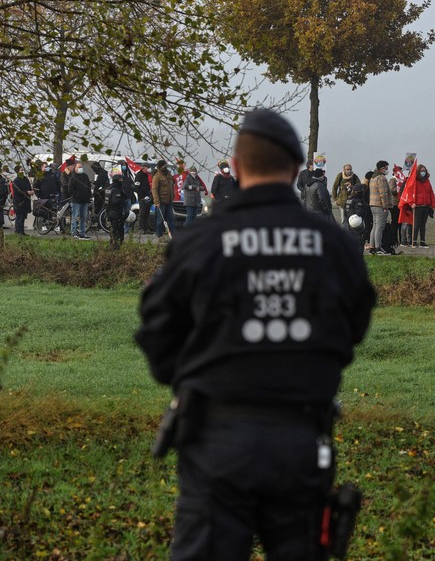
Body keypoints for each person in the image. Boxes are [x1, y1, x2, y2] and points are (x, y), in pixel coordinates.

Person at [136, 108, 375, 560]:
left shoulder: (200, 241)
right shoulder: (335, 245)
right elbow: (354, 327)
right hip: (302, 439)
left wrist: (197, 372)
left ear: (238, 165)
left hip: (216, 439)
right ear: (298, 170)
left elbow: (159, 336)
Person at [410, 164, 435, 248]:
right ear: (418, 172)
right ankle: (413, 241)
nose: (423, 172)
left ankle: (422, 241)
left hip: (426, 205)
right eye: (421, 171)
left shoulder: (427, 181)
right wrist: (411, 203)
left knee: (423, 224)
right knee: (416, 224)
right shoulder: (414, 181)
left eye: (424, 171)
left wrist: (433, 204)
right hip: (417, 206)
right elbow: (410, 193)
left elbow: (431, 193)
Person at [368, 160, 390, 254]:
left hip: (372, 204)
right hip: (380, 205)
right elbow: (383, 193)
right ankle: (378, 248)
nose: (387, 170)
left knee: (375, 226)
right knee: (380, 227)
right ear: (382, 168)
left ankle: (372, 247)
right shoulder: (381, 178)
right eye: (386, 168)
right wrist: (385, 206)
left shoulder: (373, 177)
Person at [151, 160, 175, 238]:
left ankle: (173, 233)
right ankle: (158, 233)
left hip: (169, 201)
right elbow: (154, 190)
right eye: (163, 166)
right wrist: (156, 201)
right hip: (161, 201)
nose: (165, 167)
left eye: (166, 166)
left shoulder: (169, 175)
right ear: (160, 167)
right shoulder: (157, 177)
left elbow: (172, 185)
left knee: (171, 218)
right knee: (160, 219)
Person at [69, 161, 92, 239]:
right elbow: (70, 189)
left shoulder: (85, 176)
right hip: (76, 201)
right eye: (78, 167)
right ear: (75, 168)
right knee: (75, 217)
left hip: (85, 200)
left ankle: (82, 233)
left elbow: (88, 186)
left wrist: (89, 196)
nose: (80, 168)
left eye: (81, 167)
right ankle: (74, 233)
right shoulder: (73, 177)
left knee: (84, 218)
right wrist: (77, 195)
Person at [107, 173, 127, 249]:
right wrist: (122, 198)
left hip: (109, 212)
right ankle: (116, 246)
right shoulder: (116, 190)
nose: (122, 182)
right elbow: (116, 201)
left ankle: (112, 243)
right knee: (118, 230)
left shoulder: (109, 188)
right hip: (116, 212)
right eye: (121, 180)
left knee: (113, 229)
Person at [11, 168, 34, 235]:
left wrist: (31, 191)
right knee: (19, 217)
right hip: (19, 201)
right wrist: (27, 192)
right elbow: (18, 191)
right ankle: (18, 231)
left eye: (23, 170)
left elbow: (29, 187)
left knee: (23, 217)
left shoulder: (26, 179)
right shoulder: (16, 181)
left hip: (26, 201)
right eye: (20, 170)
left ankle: (22, 231)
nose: (22, 171)